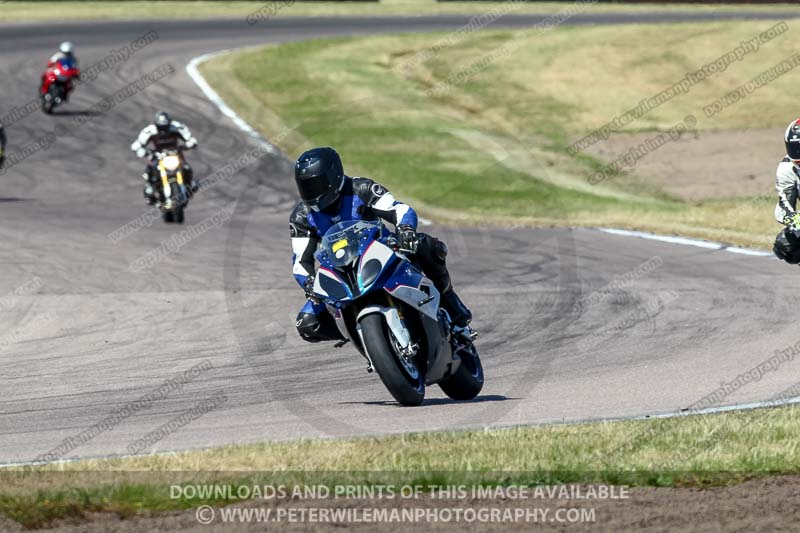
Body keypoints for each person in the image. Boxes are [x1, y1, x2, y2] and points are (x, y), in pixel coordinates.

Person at [289, 147, 472, 343]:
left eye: (317, 184)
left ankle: (453, 307)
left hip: (382, 253)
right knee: (307, 323)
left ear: (334, 175)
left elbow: (399, 209)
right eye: (306, 186)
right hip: (340, 272)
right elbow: (300, 261)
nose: (312, 192)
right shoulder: (301, 216)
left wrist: (406, 230)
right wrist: (309, 282)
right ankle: (364, 336)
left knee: (426, 245)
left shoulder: (362, 188)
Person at [130, 111, 198, 205]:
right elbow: (136, 145)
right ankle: (150, 191)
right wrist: (143, 151)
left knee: (187, 168)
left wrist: (188, 144)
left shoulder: (177, 127)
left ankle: (190, 185)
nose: (163, 131)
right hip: (158, 156)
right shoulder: (149, 130)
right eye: (161, 127)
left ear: (169, 123)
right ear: (156, 124)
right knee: (149, 171)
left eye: (165, 127)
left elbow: (190, 139)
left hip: (175, 154)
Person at [773, 119, 800, 264]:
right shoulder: (786, 169)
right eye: (796, 148)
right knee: (786, 245)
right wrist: (794, 219)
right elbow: (783, 206)